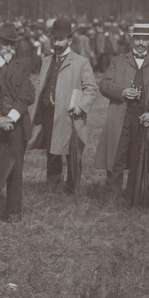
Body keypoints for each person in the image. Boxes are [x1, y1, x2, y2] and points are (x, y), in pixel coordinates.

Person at [96, 22, 149, 197]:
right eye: (138, 39)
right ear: (131, 39)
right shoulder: (118, 61)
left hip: (145, 117)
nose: (141, 43)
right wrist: (122, 91)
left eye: (145, 39)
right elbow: (104, 84)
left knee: (140, 156)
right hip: (121, 116)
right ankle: (112, 196)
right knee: (117, 155)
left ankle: (134, 197)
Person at [30, 18, 97, 194]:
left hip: (70, 115)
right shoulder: (46, 60)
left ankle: (72, 187)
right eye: (55, 39)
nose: (57, 43)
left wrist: (80, 106)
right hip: (49, 113)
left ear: (70, 40)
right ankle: (53, 187)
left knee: (72, 153)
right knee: (52, 151)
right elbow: (41, 84)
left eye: (61, 39)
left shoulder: (81, 62)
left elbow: (91, 89)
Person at [0, 22, 36, 222]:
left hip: (17, 125)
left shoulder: (23, 65)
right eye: (5, 44)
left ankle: (13, 212)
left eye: (12, 45)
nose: (9, 49)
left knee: (16, 168)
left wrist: (11, 116)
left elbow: (27, 94)